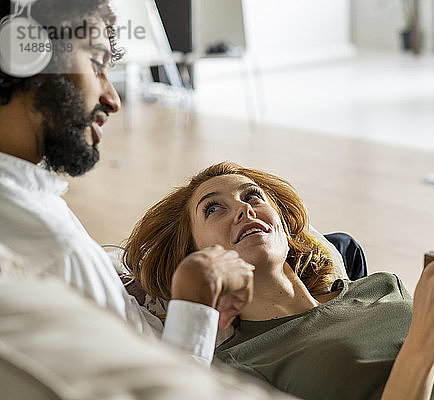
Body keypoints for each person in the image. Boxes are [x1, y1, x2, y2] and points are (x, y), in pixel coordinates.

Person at [0, 0, 253, 367]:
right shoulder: (50, 246)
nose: (112, 99)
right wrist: (194, 302)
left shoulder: (31, 201)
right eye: (97, 63)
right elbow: (159, 390)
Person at [123, 161, 434, 400]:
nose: (244, 209)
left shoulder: (379, 286)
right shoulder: (239, 366)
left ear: (284, 224)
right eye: (213, 208)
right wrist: (425, 338)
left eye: (252, 196)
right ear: (195, 254)